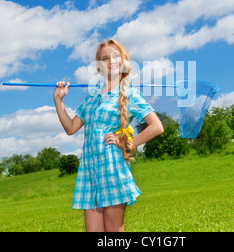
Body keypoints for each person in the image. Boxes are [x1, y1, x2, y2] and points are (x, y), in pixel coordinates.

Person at [54, 39, 164, 232]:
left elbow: (156, 126)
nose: (110, 61)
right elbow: (71, 128)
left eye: (115, 56)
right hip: (89, 171)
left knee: (113, 230)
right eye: (104, 58)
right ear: (99, 66)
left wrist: (128, 143)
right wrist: (58, 101)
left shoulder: (130, 94)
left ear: (123, 61)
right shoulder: (92, 97)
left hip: (112, 168)